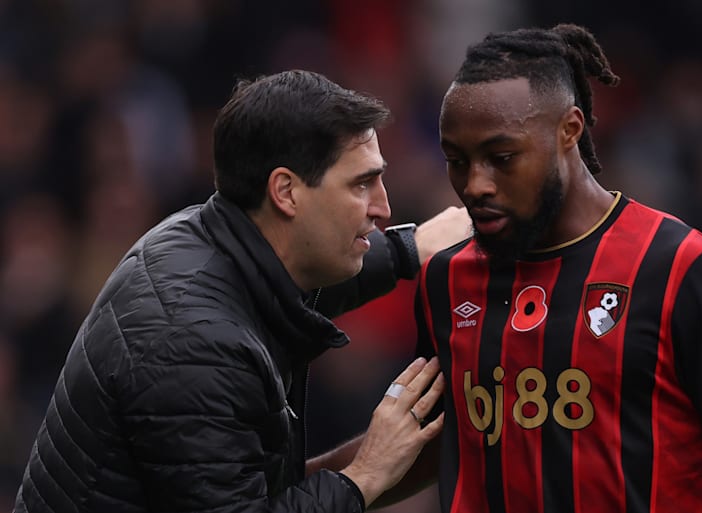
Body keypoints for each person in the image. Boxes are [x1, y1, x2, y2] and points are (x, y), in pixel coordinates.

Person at [13, 69, 471, 513]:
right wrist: (367, 473)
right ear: (286, 192)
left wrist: (409, 249)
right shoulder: (193, 345)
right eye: (362, 184)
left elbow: (290, 285)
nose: (383, 207)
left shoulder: (201, 236)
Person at [412, 23, 702, 512]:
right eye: (457, 160)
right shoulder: (444, 282)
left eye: (501, 157)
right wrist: (305, 491)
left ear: (569, 130)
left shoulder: (688, 270)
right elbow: (423, 446)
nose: (475, 184)